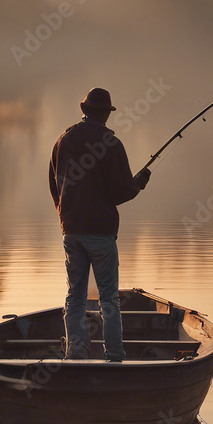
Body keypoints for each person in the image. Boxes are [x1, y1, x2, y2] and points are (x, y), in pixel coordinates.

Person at [49, 87, 150, 362]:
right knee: (108, 298)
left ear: (84, 111)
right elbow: (120, 193)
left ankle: (76, 354)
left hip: (71, 230)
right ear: (105, 113)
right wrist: (139, 182)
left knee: (75, 296)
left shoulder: (63, 141)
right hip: (102, 234)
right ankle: (115, 355)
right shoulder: (111, 144)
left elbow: (54, 186)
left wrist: (65, 215)